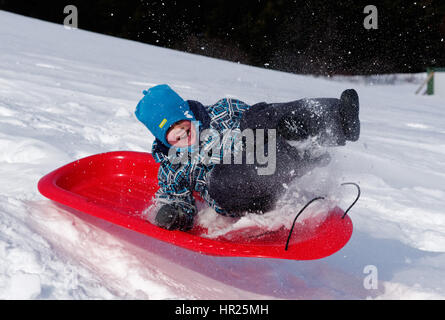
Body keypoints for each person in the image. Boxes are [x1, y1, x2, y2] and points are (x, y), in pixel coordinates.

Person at [135, 84, 360, 231]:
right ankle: (303, 150)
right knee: (221, 178)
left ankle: (337, 119)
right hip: (240, 196)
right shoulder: (173, 166)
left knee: (255, 117)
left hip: (270, 162)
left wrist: (271, 125)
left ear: (188, 113)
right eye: (173, 133)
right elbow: (175, 197)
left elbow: (263, 120)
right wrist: (173, 215)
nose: (182, 133)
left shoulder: (222, 111)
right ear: (164, 139)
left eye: (182, 123)